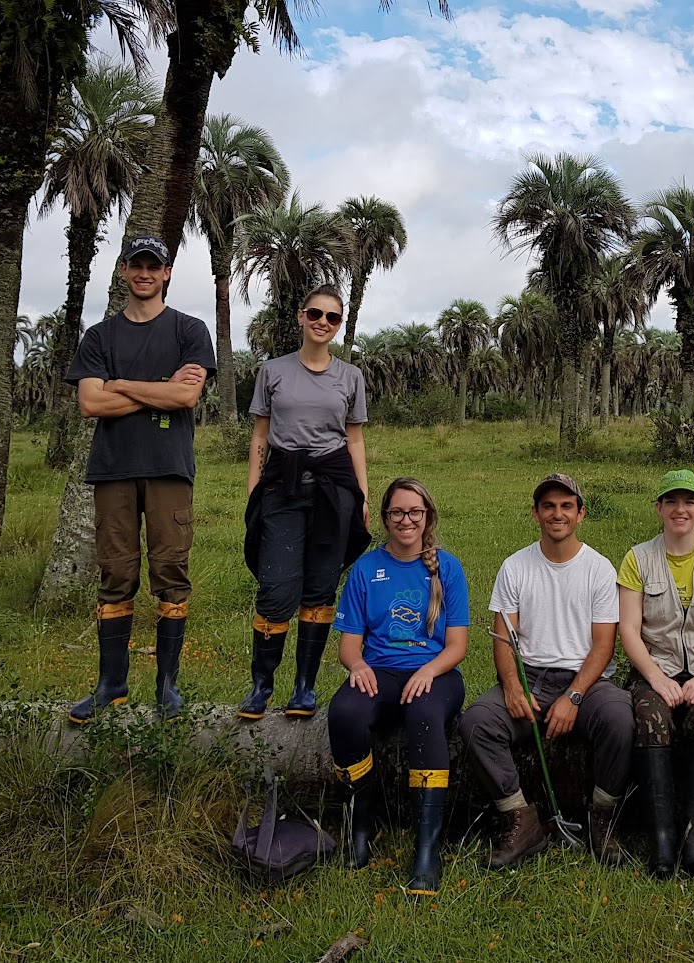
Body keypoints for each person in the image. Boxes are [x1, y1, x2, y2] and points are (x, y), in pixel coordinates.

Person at [65, 236, 216, 724]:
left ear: (167, 272)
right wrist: (162, 388)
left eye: (154, 265)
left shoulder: (190, 331)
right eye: (137, 265)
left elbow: (186, 400)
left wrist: (122, 385)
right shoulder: (99, 337)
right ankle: (112, 685)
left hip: (169, 468)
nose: (145, 273)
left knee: (170, 572)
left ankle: (167, 686)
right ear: (124, 270)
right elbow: (91, 404)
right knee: (116, 575)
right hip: (113, 470)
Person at [459, 473, 633, 869]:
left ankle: (603, 819)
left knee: (621, 717)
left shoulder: (599, 569)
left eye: (566, 506)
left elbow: (604, 645)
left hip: (584, 680)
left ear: (581, 514)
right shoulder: (515, 566)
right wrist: (512, 686)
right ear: (536, 514)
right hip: (530, 675)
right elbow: (504, 638)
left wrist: (573, 696)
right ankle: (520, 818)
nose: (558, 514)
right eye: (549, 506)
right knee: (477, 723)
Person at [327, 477, 469, 896]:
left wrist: (428, 672)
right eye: (397, 512)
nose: (406, 520)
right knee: (345, 713)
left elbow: (458, 645)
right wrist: (357, 665)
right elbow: (349, 646)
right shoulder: (366, 569)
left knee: (424, 716)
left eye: (415, 512)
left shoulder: (449, 567)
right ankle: (362, 822)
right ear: (385, 518)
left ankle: (427, 847)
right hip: (380, 671)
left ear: (427, 517)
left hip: (437, 673)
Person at [238, 285, 371, 720]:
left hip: (335, 489)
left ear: (339, 324)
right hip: (282, 484)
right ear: (301, 316)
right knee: (276, 589)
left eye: (332, 317)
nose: (323, 322)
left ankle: (304, 687)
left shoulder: (350, 377)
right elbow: (261, 434)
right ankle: (261, 685)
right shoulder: (272, 370)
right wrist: (255, 488)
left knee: (320, 586)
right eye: (316, 313)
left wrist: (363, 495)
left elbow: (354, 439)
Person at [617, 469, 694, 878]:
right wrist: (657, 678)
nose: (680, 509)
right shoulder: (637, 559)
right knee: (651, 719)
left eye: (689, 501)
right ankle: (662, 841)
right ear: (658, 508)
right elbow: (629, 631)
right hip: (655, 669)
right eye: (671, 501)